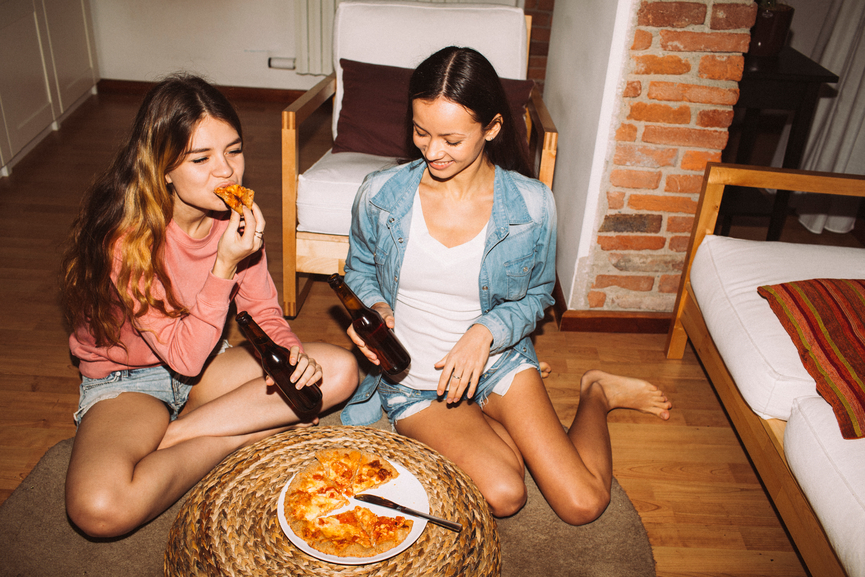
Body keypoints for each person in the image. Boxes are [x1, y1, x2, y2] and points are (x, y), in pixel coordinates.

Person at [340, 47, 671, 525]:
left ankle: (595, 391)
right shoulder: (379, 194)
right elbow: (359, 271)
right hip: (416, 384)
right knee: (503, 492)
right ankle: (495, 432)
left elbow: (538, 295)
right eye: (421, 132)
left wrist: (485, 332)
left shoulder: (533, 206)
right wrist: (373, 307)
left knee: (582, 503)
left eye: (451, 139)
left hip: (497, 362)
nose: (432, 151)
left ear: (492, 128)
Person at [59, 74, 358, 538]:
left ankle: (182, 436)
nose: (226, 171)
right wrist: (223, 265)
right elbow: (181, 356)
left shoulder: (233, 219)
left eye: (233, 151)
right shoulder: (125, 239)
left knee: (338, 370)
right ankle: (231, 439)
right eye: (201, 158)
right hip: (130, 380)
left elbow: (263, 311)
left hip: (204, 371)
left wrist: (289, 353)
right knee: (100, 509)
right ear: (163, 169)